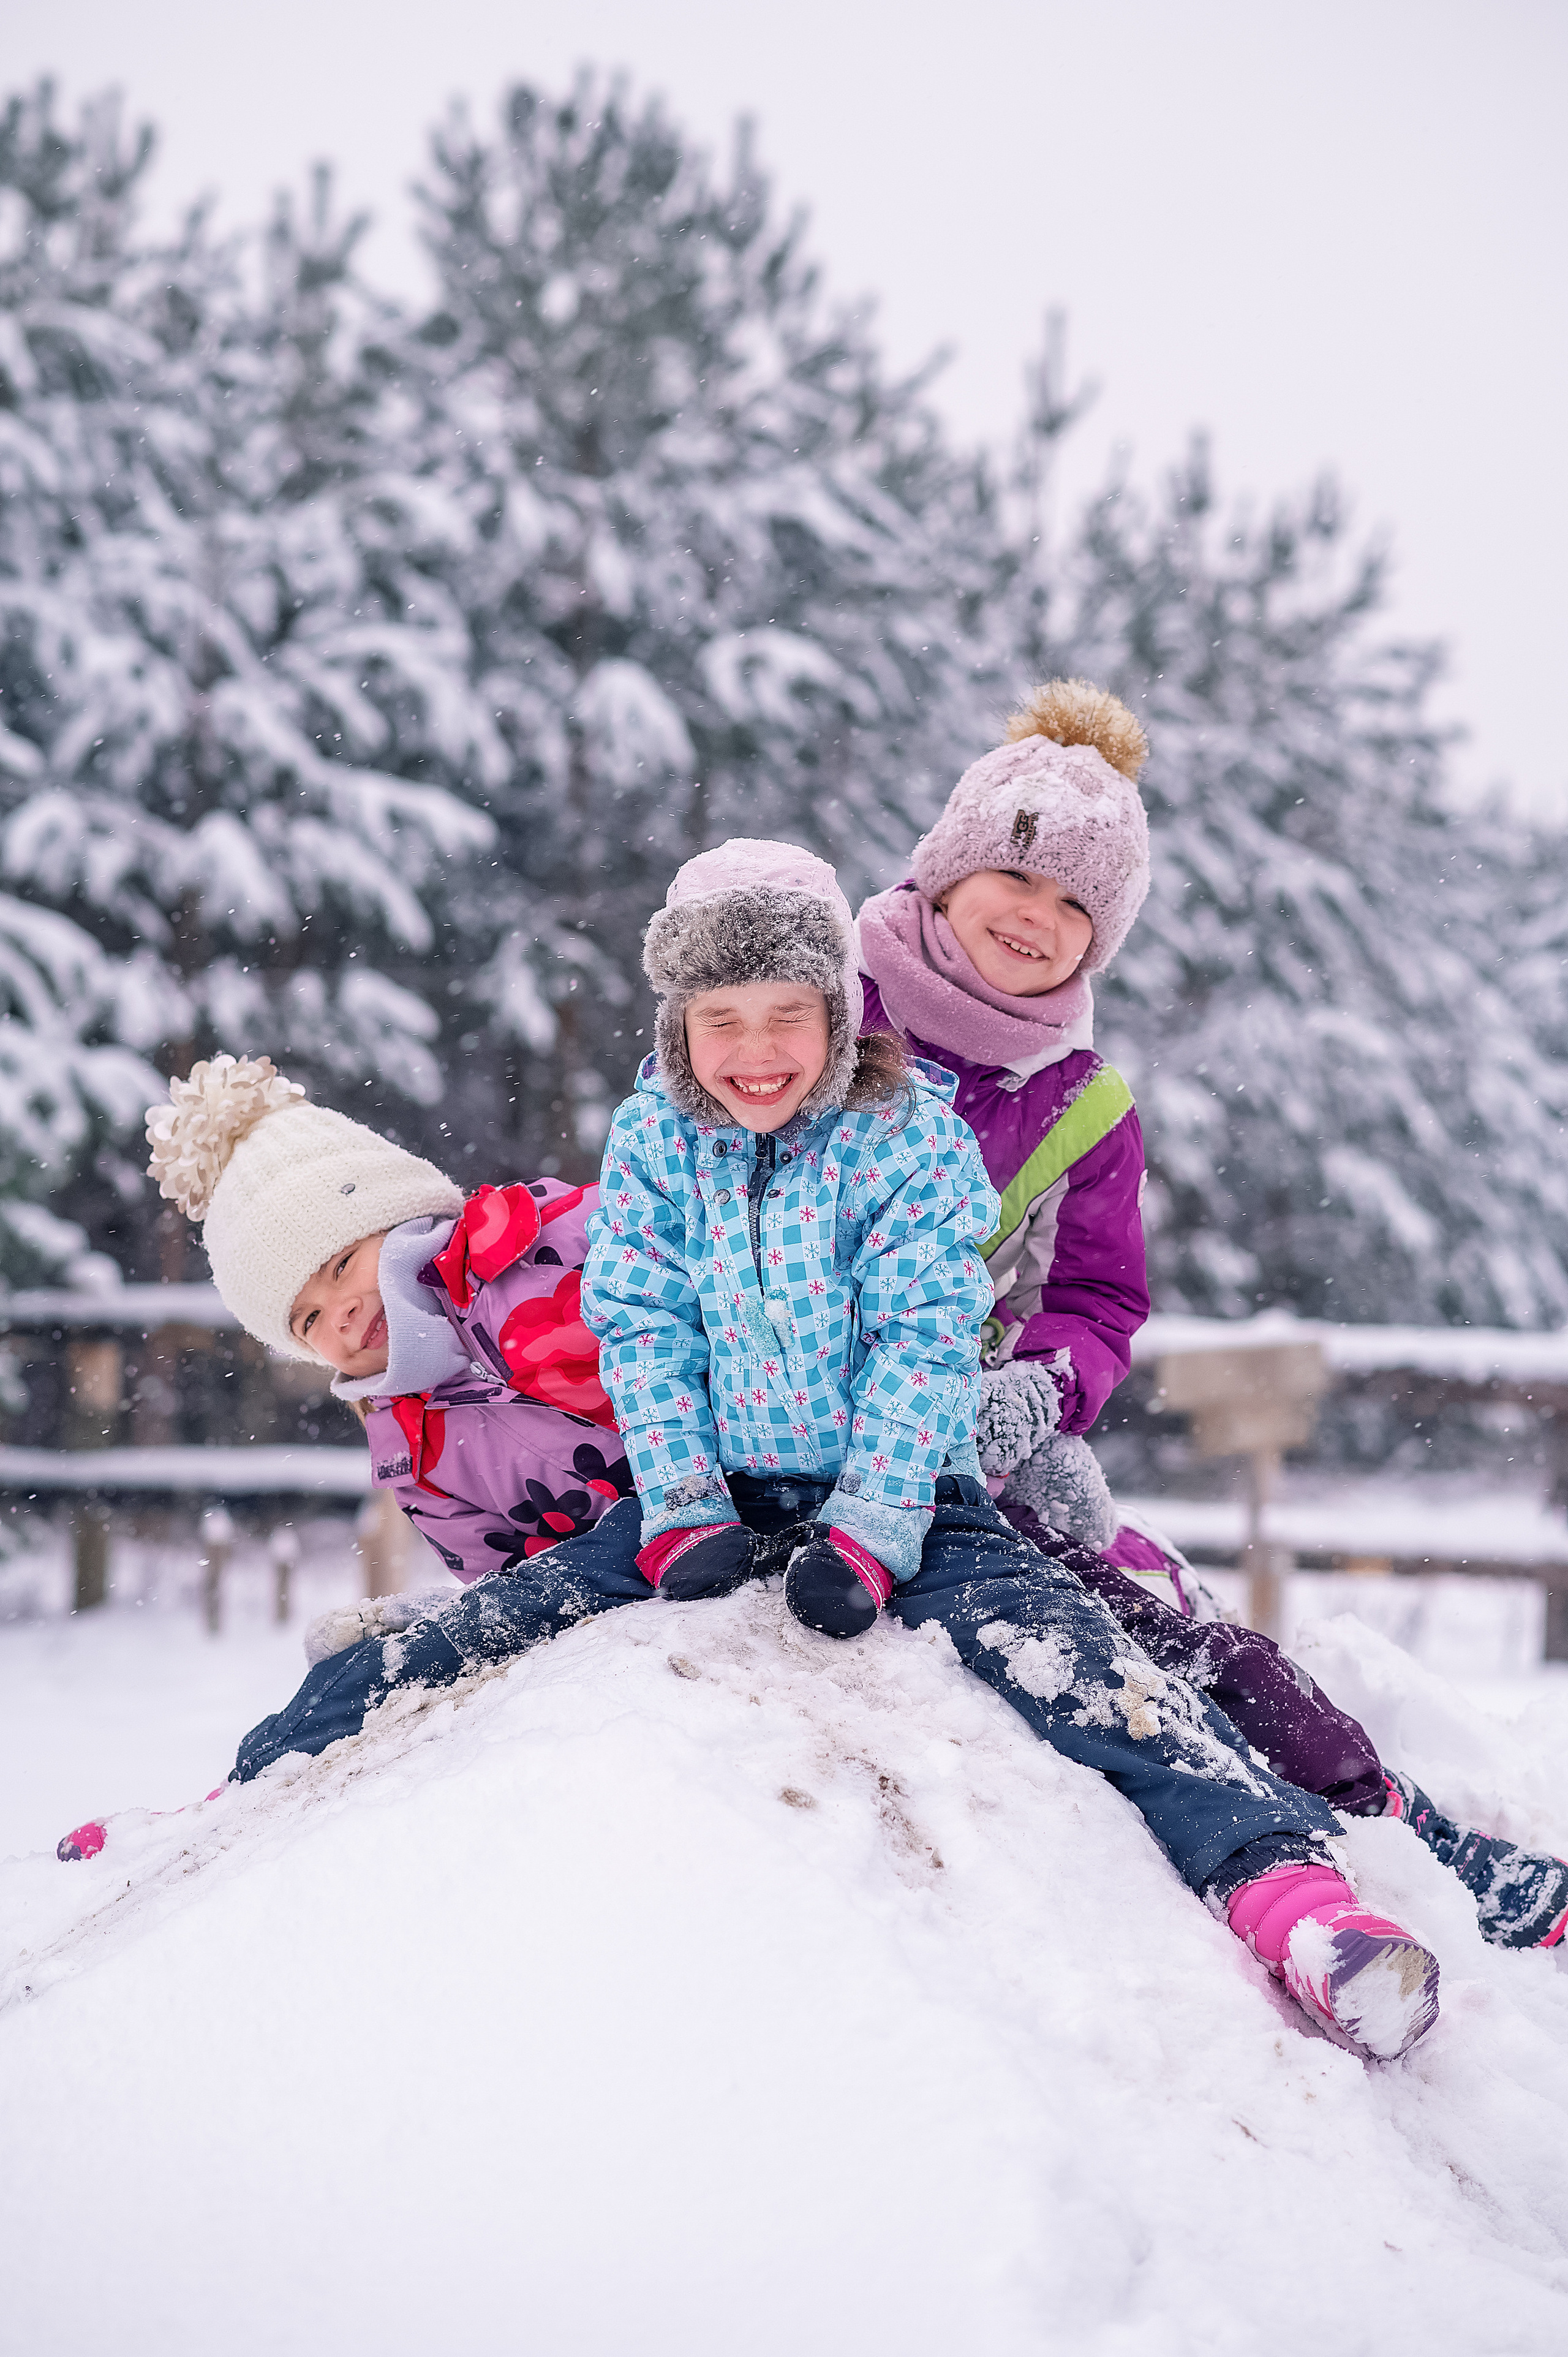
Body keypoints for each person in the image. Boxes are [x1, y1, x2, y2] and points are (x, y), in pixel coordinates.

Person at [856, 677, 1568, 1954]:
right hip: (798, 1432)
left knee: (1178, 1641)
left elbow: (1094, 1296)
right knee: (1083, 1640)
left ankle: (1399, 1827)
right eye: (1015, 877)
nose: (1037, 917)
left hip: (961, 1445)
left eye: (1079, 903)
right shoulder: (808, 1014)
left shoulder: (1078, 1102)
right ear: (942, 872)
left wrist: (1046, 1391)